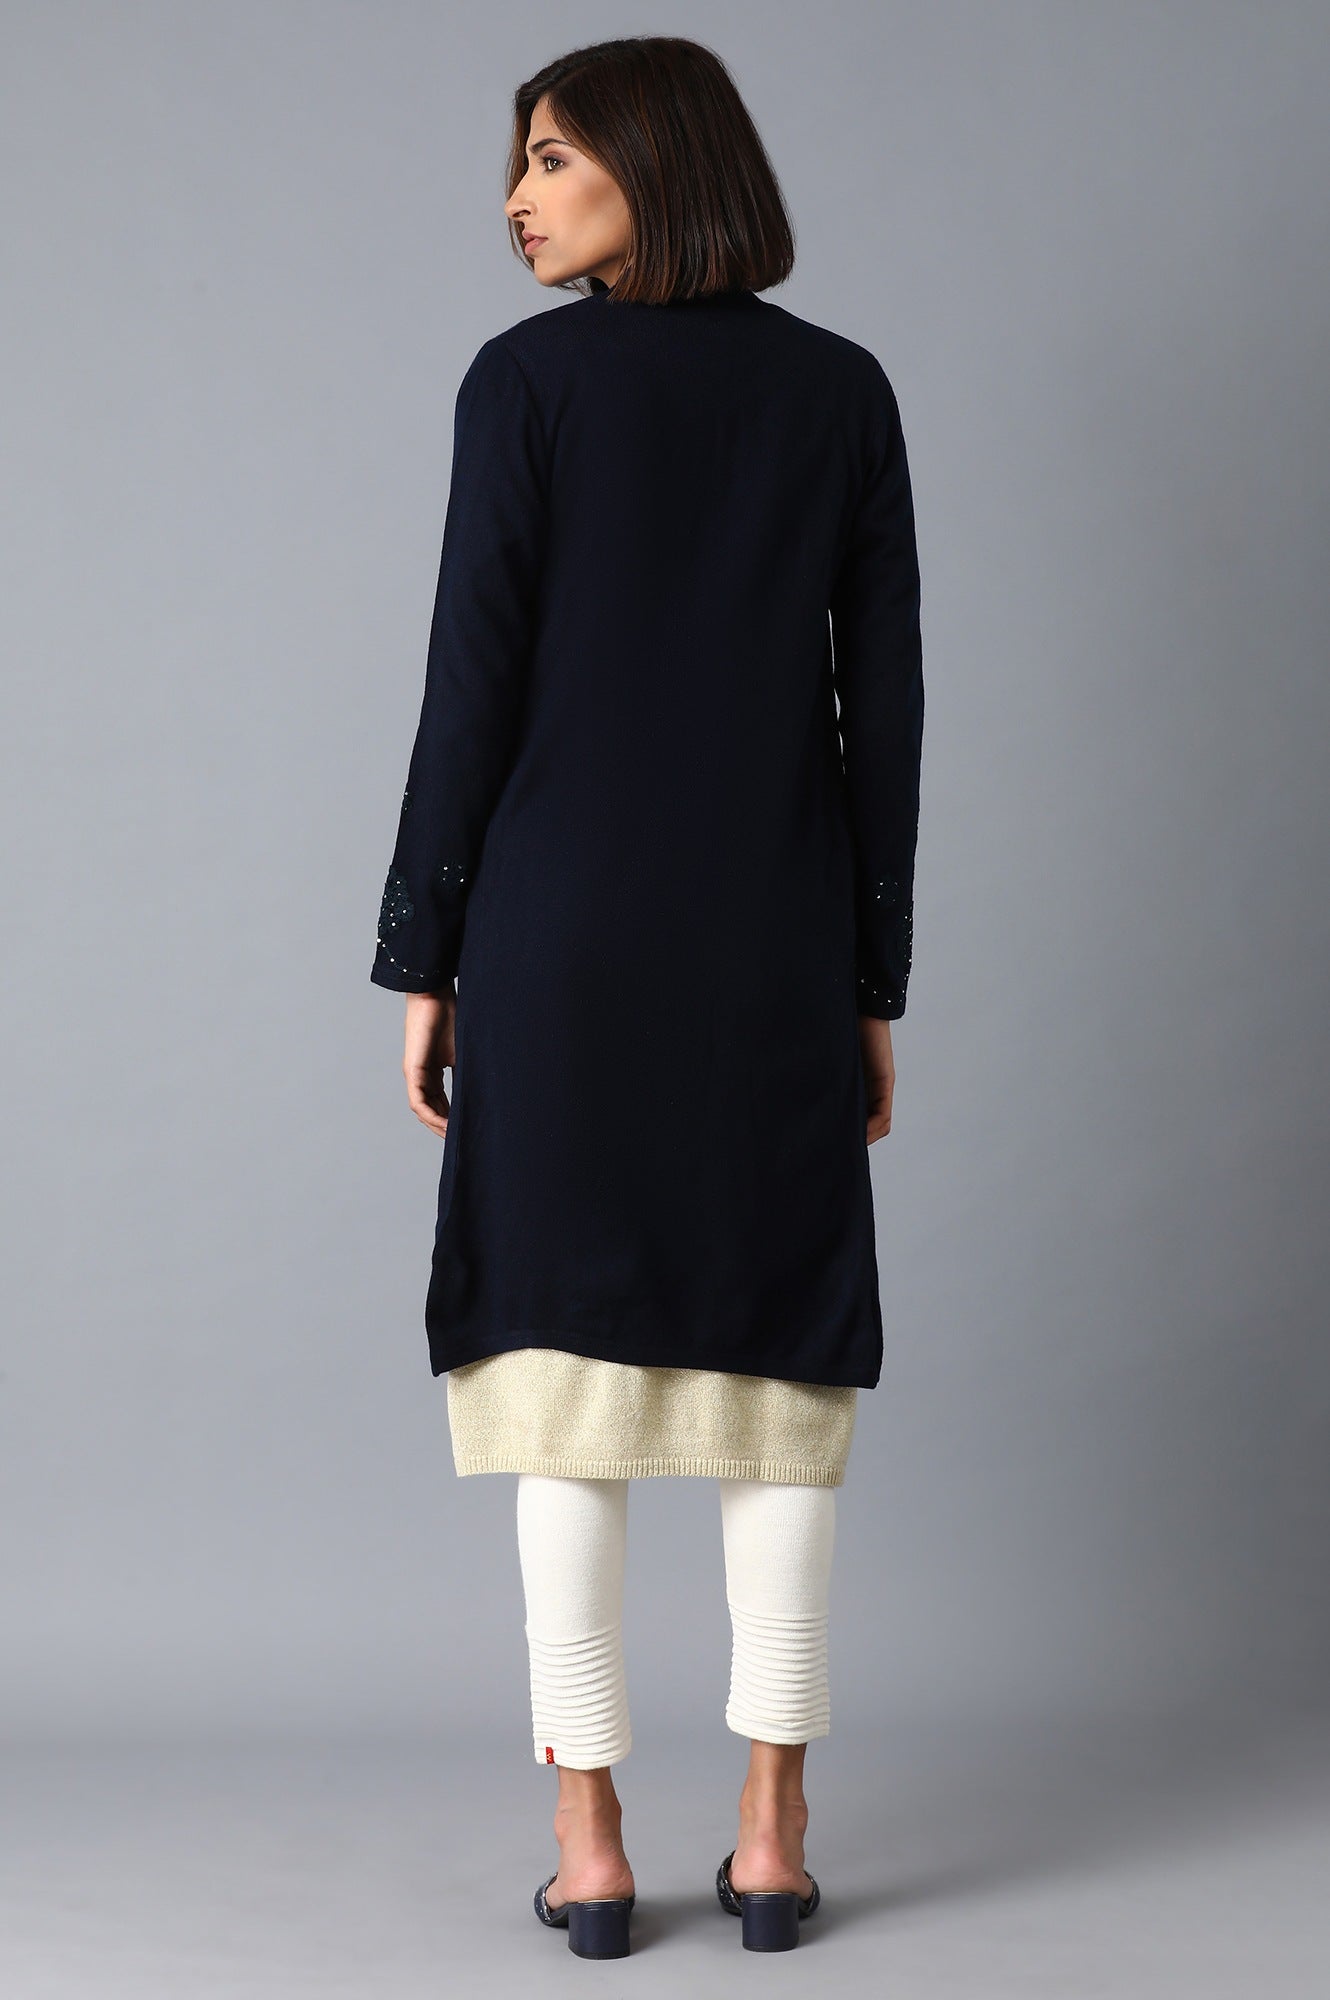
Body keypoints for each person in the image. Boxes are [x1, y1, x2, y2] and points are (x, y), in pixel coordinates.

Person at [369, 35, 924, 1959]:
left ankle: (589, 1844)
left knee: (564, 1386)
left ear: (649, 157)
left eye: (548, 154)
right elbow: (881, 713)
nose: (516, 197)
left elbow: (472, 681)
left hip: (560, 940)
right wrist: (870, 977)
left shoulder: (524, 385)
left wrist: (425, 954)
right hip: (770, 940)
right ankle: (773, 1838)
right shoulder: (841, 392)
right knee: (778, 1368)